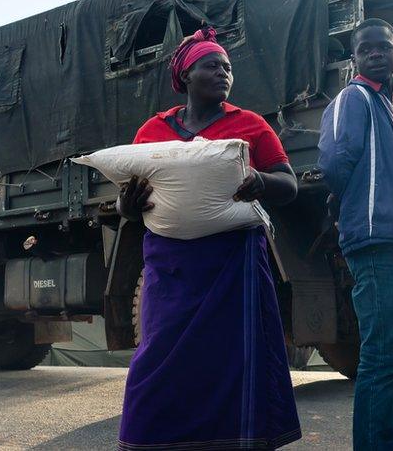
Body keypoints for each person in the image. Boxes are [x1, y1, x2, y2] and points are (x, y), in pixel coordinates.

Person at [116, 28, 301, 450]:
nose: (223, 73)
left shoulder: (249, 125)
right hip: (172, 266)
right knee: (160, 357)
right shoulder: (152, 131)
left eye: (228, 68)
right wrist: (128, 205)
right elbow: (127, 206)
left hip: (234, 265)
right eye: (212, 65)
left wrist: (259, 180)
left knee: (234, 360)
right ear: (186, 75)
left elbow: (288, 185)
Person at [318, 18, 393, 450]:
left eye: (383, 47)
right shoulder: (353, 98)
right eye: (366, 48)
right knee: (382, 364)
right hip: (381, 247)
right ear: (354, 58)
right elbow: (334, 163)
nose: (375, 53)